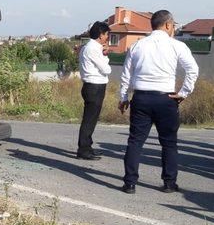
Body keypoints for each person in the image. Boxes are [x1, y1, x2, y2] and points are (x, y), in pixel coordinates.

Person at [118, 10, 199, 194]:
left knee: (135, 141)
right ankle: (169, 183)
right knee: (169, 143)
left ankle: (130, 182)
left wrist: (123, 97)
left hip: (141, 97)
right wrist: (184, 92)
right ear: (168, 25)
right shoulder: (177, 45)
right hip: (166, 98)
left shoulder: (138, 45)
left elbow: (126, 74)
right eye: (174, 26)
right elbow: (192, 69)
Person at [77, 21, 111, 160]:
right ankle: (84, 150)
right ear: (101, 34)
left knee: (91, 119)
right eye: (107, 34)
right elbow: (106, 69)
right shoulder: (93, 48)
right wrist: (105, 55)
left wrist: (103, 53)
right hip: (94, 86)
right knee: (89, 120)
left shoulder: (89, 47)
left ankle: (87, 147)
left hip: (93, 86)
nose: (107, 37)